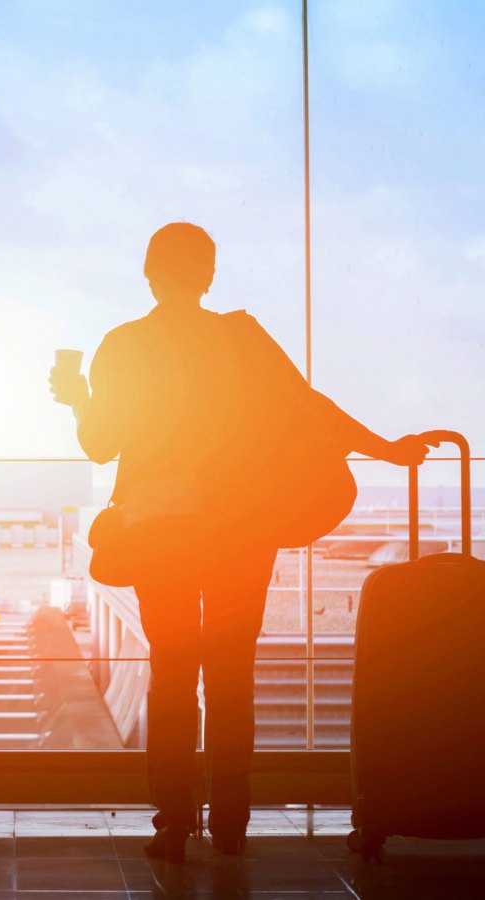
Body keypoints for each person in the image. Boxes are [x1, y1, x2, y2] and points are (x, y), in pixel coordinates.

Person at [48, 222, 430, 862]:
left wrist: (78, 397)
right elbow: (310, 407)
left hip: (161, 531)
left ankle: (173, 823)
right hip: (239, 533)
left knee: (172, 676)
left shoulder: (125, 344)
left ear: (149, 273)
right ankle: (230, 823)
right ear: (209, 275)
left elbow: (99, 445)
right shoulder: (241, 338)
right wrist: (386, 450)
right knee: (231, 678)